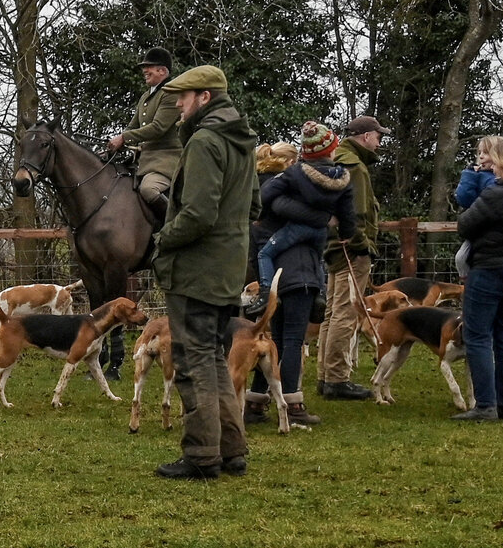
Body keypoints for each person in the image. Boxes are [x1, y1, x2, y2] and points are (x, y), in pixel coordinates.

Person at [148, 65, 259, 479]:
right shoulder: (243, 143)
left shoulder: (205, 142)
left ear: (205, 98)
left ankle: (201, 456)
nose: (178, 104)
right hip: (228, 269)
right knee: (213, 356)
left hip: (197, 271)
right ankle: (231, 450)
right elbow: (254, 207)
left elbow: (197, 214)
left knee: (194, 361)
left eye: (184, 96)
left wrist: (163, 241)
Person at [245, 122, 355, 431]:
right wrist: (326, 222)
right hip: (300, 272)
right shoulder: (333, 181)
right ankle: (292, 403)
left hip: (279, 268)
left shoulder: (281, 184)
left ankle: (255, 401)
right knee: (292, 340)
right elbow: (348, 219)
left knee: (274, 339)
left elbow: (272, 202)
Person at [451, 133, 503, 422]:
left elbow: (465, 226)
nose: (493, 164)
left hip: (490, 270)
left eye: (497, 159)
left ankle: (485, 405)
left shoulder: (497, 194)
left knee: (478, 335)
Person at [316, 113, 386, 400]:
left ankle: (324, 375)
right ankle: (337, 378)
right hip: (350, 249)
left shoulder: (335, 159)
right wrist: (362, 244)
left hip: (332, 247)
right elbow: (356, 212)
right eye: (378, 136)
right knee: (346, 312)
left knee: (332, 312)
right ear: (366, 136)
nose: (380, 143)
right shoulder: (355, 166)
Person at [254, 122, 351, 290]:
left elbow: (267, 193)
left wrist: (259, 213)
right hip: (321, 231)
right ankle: (320, 291)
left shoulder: (294, 172)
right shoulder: (342, 177)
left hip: (296, 228)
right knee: (317, 259)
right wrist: (346, 233)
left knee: (265, 254)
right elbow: (347, 209)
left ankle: (265, 291)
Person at [109, 47, 182, 215]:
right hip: (144, 161)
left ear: (162, 70)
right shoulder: (145, 96)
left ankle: (175, 225)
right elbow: (133, 126)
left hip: (166, 161)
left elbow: (158, 128)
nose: (144, 70)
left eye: (149, 67)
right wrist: (116, 144)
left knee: (149, 190)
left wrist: (124, 137)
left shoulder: (171, 94)